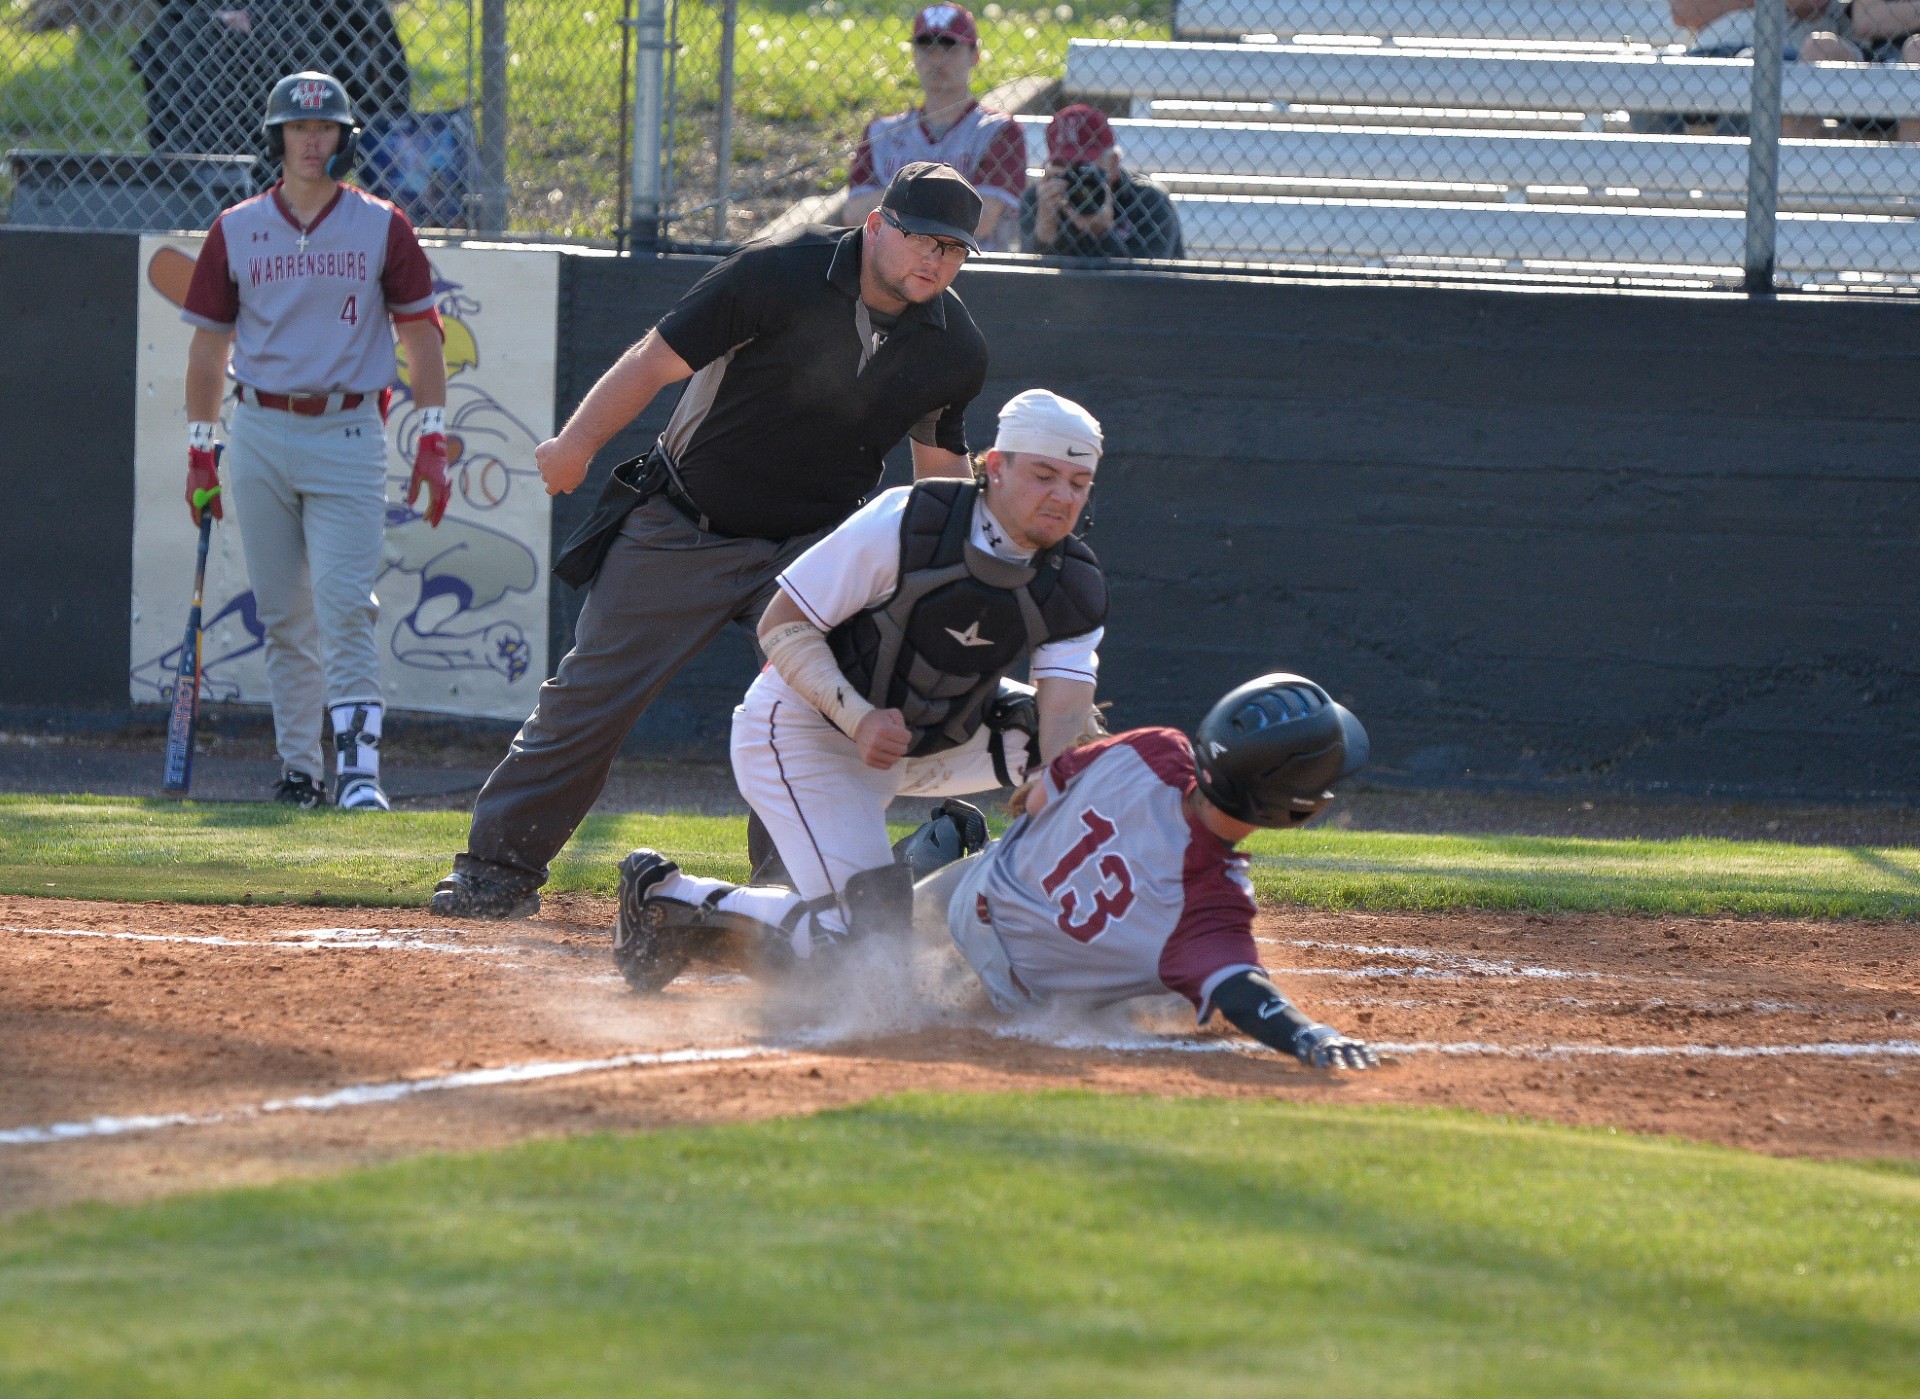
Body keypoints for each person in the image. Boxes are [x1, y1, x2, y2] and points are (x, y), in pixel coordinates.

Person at [429, 161, 992, 920]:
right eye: (922, 238)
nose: (937, 260)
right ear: (875, 226)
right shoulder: (776, 273)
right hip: (685, 522)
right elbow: (652, 360)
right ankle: (496, 867)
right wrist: (575, 443)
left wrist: (945, 571)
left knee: (821, 711)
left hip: (813, 547)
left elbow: (939, 473)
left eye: (954, 251)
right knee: (590, 697)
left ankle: (799, 898)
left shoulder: (955, 345)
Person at [618, 672, 1381, 1073]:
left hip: (974, 888)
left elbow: (1042, 787)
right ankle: (668, 897)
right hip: (969, 973)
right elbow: (1244, 992)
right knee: (843, 963)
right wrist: (1302, 1032)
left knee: (1169, 1007)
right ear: (1294, 809)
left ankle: (927, 853)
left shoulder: (1158, 748)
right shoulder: (1211, 911)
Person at [610, 388, 1108, 984]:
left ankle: (1057, 924)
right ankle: (667, 900)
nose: (1062, 496)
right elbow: (782, 624)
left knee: (1083, 756)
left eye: (1078, 483)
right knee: (861, 959)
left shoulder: (1073, 578)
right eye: (1045, 474)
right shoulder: (910, 520)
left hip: (921, 738)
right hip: (803, 733)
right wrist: (858, 719)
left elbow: (1066, 699)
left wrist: (1056, 778)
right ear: (995, 467)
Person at [180, 70, 450, 810]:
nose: (311, 140)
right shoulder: (236, 226)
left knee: (342, 601)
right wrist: (201, 448)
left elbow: (421, 335)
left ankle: (360, 773)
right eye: (299, 129)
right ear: (277, 136)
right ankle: (301, 772)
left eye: (325, 128)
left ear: (342, 138)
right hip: (260, 427)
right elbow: (208, 349)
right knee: (283, 614)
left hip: (348, 428)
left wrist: (432, 434)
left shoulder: (381, 223)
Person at [841, 5, 1026, 252]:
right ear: (913, 54)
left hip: (976, 269)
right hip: (894, 270)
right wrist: (948, 199)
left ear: (975, 55)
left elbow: (979, 220)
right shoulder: (881, 133)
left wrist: (896, 201)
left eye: (949, 47)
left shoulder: (999, 131)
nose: (937, 59)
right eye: (926, 46)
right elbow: (854, 215)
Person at [1019, 104, 1183, 261]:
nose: (1075, 177)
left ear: (1113, 162)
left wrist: (1103, 234)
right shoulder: (1039, 199)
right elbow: (1027, 285)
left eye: (1083, 166)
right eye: (1062, 165)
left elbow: (1149, 283)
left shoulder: (1149, 201)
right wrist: (1045, 233)